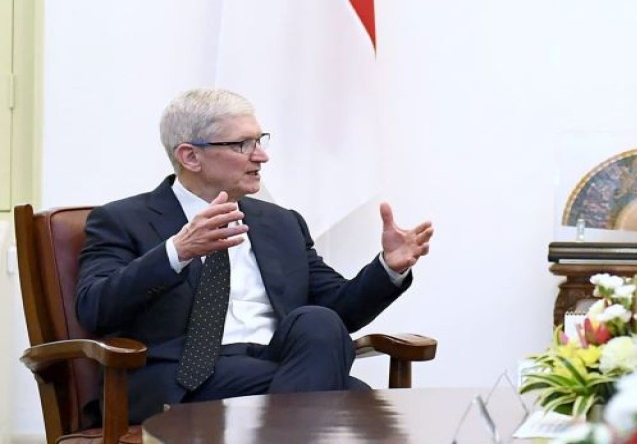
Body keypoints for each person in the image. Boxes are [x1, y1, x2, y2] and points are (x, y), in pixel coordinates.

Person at [75, 88, 434, 424]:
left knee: (318, 321)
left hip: (275, 360)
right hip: (184, 375)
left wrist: (389, 268)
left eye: (259, 141)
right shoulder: (122, 220)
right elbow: (95, 308)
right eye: (242, 145)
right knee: (354, 400)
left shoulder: (280, 223)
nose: (261, 156)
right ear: (190, 156)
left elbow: (341, 310)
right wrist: (176, 252)